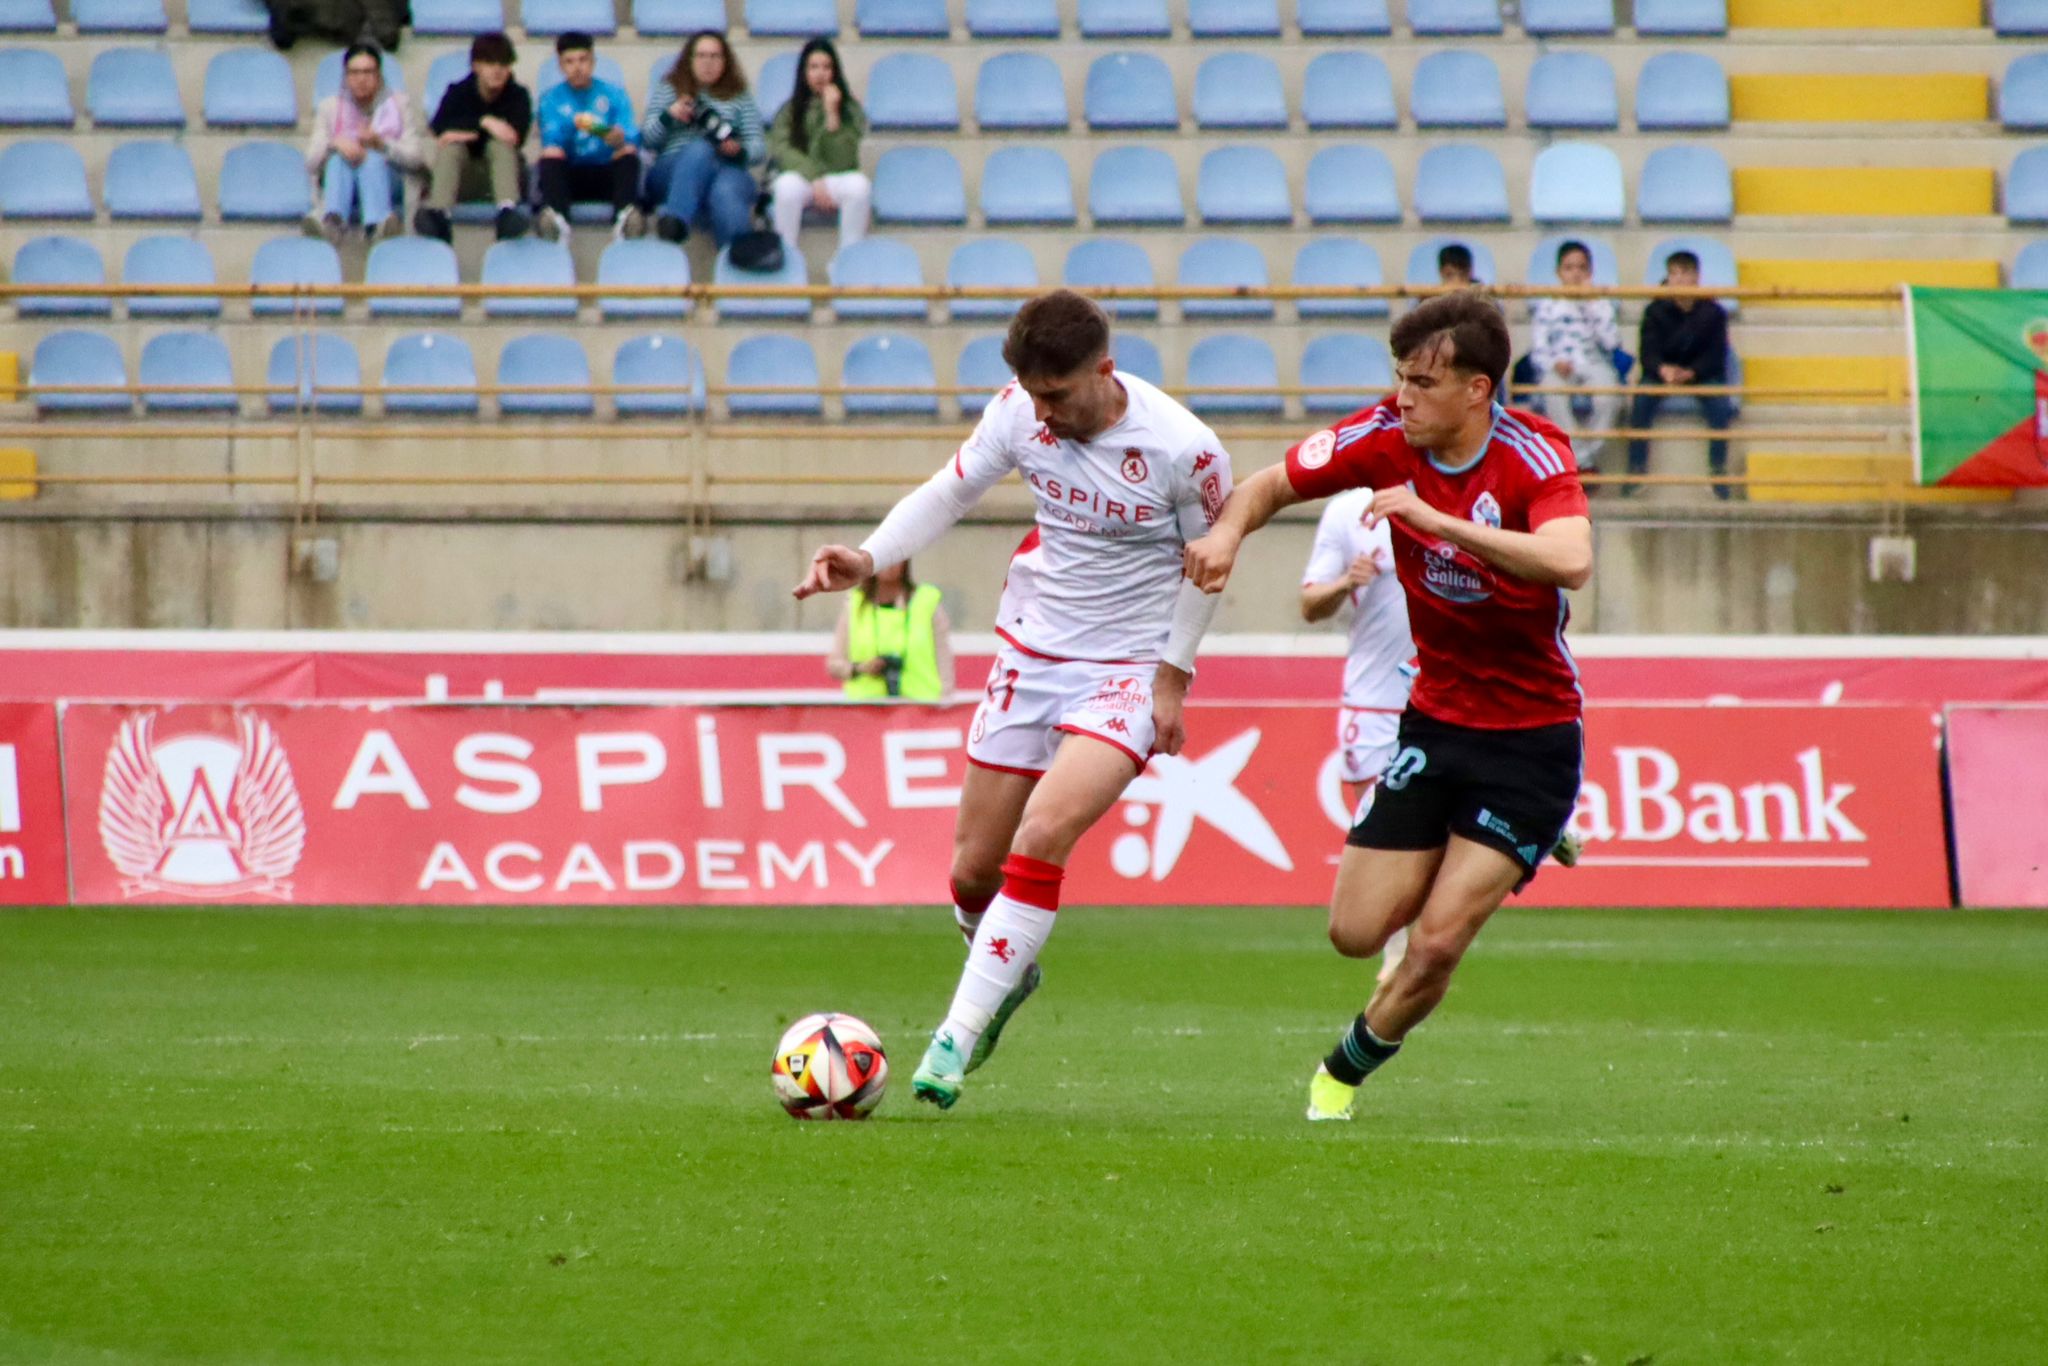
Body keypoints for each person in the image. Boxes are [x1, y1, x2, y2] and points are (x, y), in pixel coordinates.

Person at [792, 290, 1234, 1111]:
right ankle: (1007, 972)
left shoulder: (1185, 450)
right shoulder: (1017, 412)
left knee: (1044, 833)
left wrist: (1173, 678)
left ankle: (951, 1043)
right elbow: (949, 491)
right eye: (1033, 394)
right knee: (971, 874)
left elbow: (1208, 565)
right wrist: (869, 556)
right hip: (1032, 652)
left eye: (1056, 395)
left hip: (1128, 667)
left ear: (1104, 370)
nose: (1043, 412)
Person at [1185, 290, 1592, 1124]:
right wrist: (1227, 534)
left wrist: (1437, 519)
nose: (1401, 397)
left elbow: (1570, 561)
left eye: (1422, 383)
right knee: (1354, 932)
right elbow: (1269, 483)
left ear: (1477, 391)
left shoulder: (1534, 453)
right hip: (1435, 721)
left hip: (1531, 739)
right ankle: (1503, 844)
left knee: (1436, 941)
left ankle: (1339, 1076)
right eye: (1400, 377)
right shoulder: (1380, 435)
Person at [1300, 488, 1415, 987]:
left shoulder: (1450, 496)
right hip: (1372, 699)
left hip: (1441, 691)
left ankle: (1542, 826)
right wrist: (1347, 580)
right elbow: (1310, 603)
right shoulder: (1347, 511)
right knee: (1384, 829)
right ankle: (1398, 950)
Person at [1626, 250, 1734, 499]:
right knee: (1641, 400)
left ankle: (1718, 471)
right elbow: (1647, 352)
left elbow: (1716, 355)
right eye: (1673, 273)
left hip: (1700, 374)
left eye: (1685, 273)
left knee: (1721, 404)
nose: (1679, 279)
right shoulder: (1654, 310)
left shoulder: (1714, 313)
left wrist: (1692, 372)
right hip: (1663, 373)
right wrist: (1662, 369)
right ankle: (1636, 470)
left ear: (1696, 277)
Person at [642, 30, 766, 246]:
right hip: (673, 170)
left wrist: (739, 151)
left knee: (725, 189)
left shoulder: (739, 95)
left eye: (715, 56)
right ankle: (676, 222)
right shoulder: (670, 88)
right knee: (701, 148)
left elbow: (758, 147)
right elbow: (648, 139)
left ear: (725, 61)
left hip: (727, 167)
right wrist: (668, 116)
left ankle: (735, 259)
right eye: (701, 56)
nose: (708, 62)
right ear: (689, 60)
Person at [304, 42, 428, 244]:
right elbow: (311, 163)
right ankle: (333, 222)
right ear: (345, 77)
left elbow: (415, 158)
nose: (361, 79)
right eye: (354, 73)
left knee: (370, 158)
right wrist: (334, 143)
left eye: (368, 72)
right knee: (337, 159)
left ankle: (377, 225)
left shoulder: (398, 104)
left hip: (391, 179)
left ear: (379, 76)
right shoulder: (330, 107)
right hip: (343, 181)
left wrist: (382, 145)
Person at [417, 31, 532, 243]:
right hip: (463, 179)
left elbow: (514, 136)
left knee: (500, 146)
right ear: (476, 66)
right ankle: (439, 213)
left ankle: (507, 211)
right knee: (452, 148)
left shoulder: (518, 96)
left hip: (503, 177)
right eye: (489, 63)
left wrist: (464, 130)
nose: (497, 70)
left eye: (503, 64)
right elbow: (439, 128)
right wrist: (485, 122)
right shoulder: (458, 92)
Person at [535, 31, 643, 243]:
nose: (577, 68)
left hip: (606, 173)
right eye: (570, 62)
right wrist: (573, 126)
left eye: (583, 60)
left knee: (628, 151)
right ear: (560, 66)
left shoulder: (614, 94)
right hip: (571, 176)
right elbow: (551, 139)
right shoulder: (550, 99)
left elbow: (632, 135)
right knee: (550, 154)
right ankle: (558, 221)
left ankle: (624, 219)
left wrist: (617, 137)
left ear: (593, 62)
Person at [767, 38, 871, 251]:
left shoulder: (850, 109)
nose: (820, 74)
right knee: (785, 185)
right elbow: (782, 150)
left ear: (835, 72)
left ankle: (847, 259)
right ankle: (788, 257)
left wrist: (833, 115)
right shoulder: (789, 110)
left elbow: (845, 160)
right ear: (804, 72)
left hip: (837, 177)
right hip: (804, 178)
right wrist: (813, 178)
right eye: (813, 67)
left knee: (860, 186)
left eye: (826, 67)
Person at [1530, 239, 1623, 471]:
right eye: (1569, 268)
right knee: (1552, 391)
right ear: (1558, 272)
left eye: (1582, 268)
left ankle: (1581, 459)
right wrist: (1554, 363)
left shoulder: (1600, 302)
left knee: (1609, 396)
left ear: (1590, 272)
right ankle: (1582, 462)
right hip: (1559, 365)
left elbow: (1612, 343)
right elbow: (1539, 349)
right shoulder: (1548, 304)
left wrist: (1592, 305)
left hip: (1595, 363)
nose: (1576, 274)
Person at [825, 559, 954, 702]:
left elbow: (944, 661)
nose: (889, 564)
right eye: (883, 557)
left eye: (895, 557)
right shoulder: (855, 604)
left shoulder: (926, 601)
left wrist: (944, 703)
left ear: (905, 562)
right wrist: (861, 668)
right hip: (866, 707)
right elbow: (834, 664)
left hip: (920, 707)